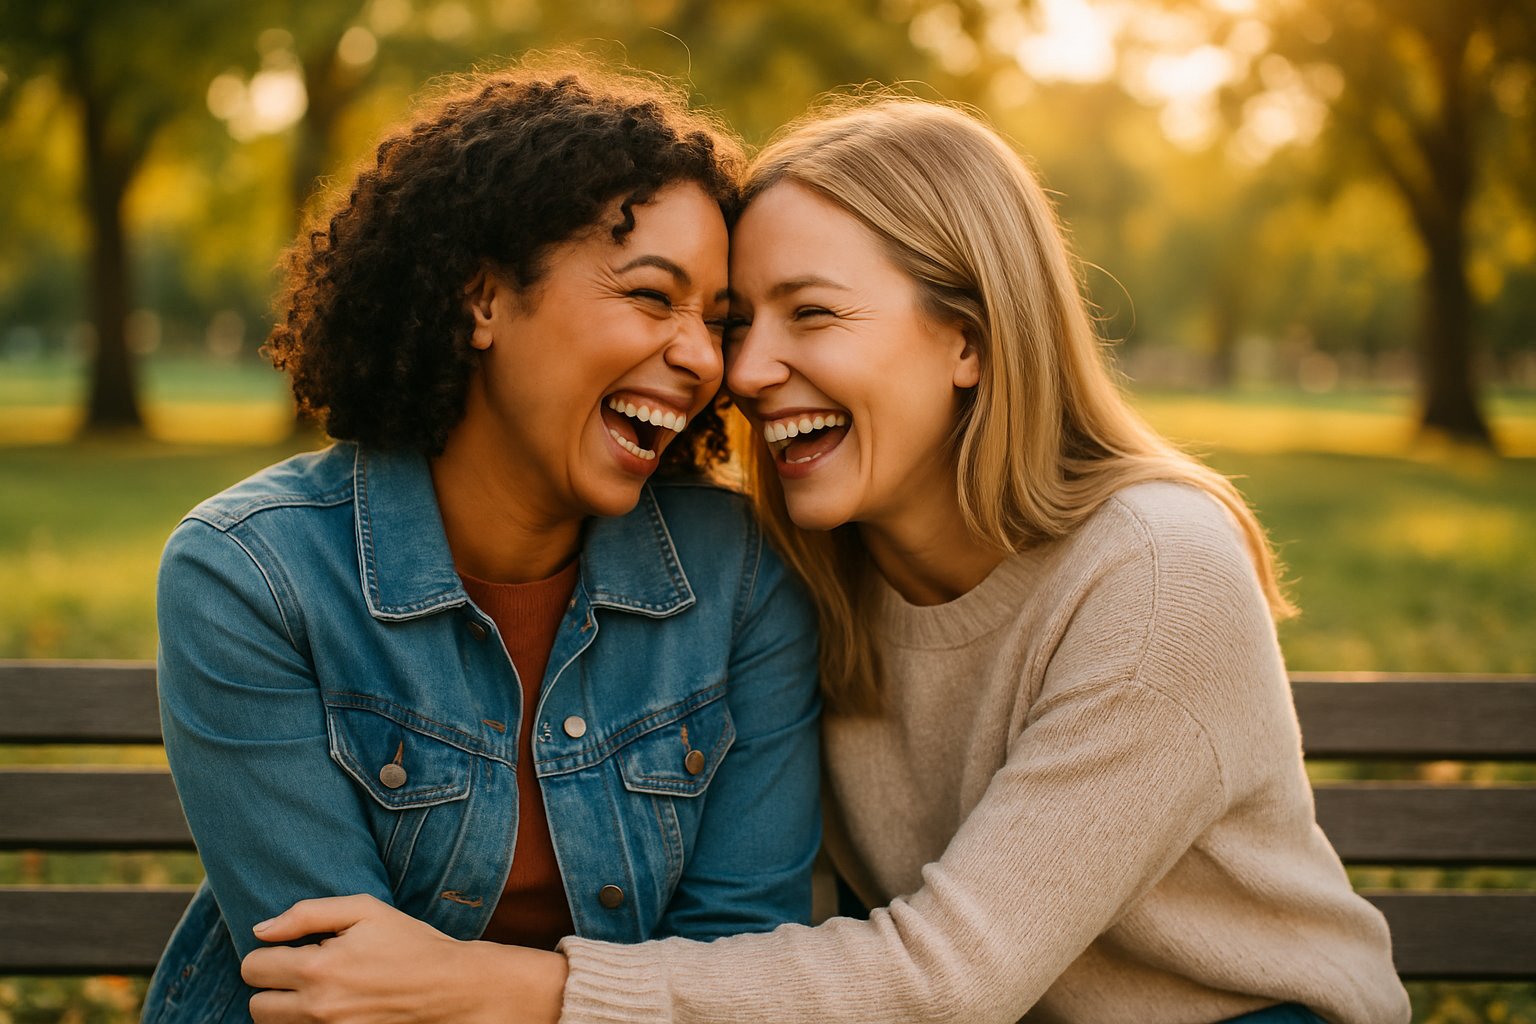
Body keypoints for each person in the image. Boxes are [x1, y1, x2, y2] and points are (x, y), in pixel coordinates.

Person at [240, 97, 1411, 1023]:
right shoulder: (801, 570)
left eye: (813, 315)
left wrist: (531, 992)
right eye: (744, 323)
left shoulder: (1153, 570)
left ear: (967, 336)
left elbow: (950, 976)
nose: (739, 373)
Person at [141, 64, 823, 1024]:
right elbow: (334, 990)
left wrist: (516, 996)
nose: (704, 358)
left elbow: (739, 963)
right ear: (482, 298)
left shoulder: (741, 575)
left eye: (717, 321)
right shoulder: (252, 574)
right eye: (650, 296)